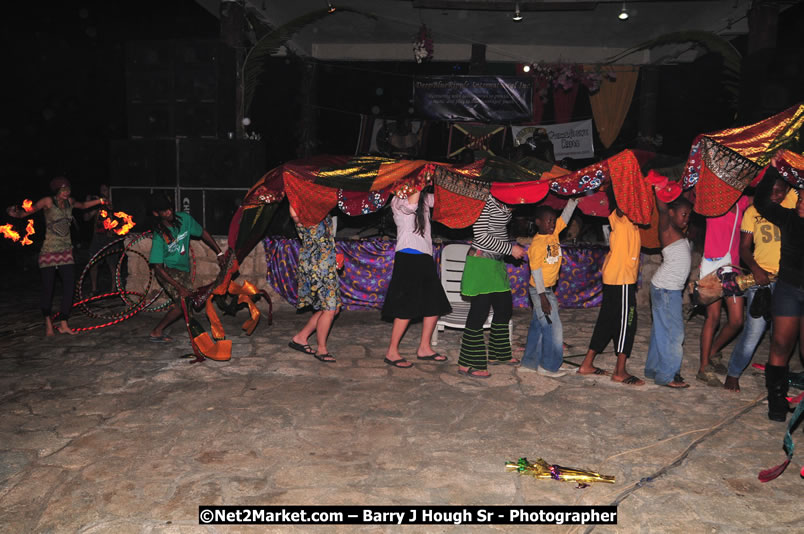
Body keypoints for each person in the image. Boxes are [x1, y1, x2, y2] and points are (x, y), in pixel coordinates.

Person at [6, 177, 105, 336]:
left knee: (69, 286)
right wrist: (15, 214)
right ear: (57, 190)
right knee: (48, 287)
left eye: (68, 190)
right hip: (49, 251)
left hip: (66, 251)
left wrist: (101, 200)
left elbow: (84, 205)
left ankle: (64, 322)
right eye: (63, 190)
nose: (67, 193)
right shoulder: (47, 201)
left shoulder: (70, 202)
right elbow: (27, 212)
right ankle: (48, 323)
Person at [724, 177, 794, 392]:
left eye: (779, 191)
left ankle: (776, 379)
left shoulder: (792, 204)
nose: (775, 195)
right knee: (754, 332)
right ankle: (733, 373)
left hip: (787, 281)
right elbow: (744, 248)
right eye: (770, 191)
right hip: (761, 280)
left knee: (781, 335)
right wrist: (756, 269)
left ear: (787, 191)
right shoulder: (753, 211)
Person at [753, 166, 804, 422]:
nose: (803, 203)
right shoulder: (789, 219)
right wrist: (774, 170)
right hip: (788, 289)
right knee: (781, 344)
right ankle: (776, 402)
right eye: (801, 198)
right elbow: (761, 202)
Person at [577, 192, 644, 386]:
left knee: (607, 320)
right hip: (621, 278)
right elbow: (622, 203)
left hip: (618, 276)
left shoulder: (631, 221)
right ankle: (620, 371)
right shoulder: (621, 216)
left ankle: (587, 364)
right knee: (627, 321)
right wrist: (626, 185)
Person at [457, 194, 527, 378]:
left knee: (504, 308)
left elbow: (498, 231)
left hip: (496, 263)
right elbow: (480, 235)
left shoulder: (503, 198)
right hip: (481, 263)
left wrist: (506, 249)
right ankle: (467, 362)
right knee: (479, 312)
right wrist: (510, 249)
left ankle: (499, 354)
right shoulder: (483, 200)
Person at [381, 189, 452, 368]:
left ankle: (424, 348)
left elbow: (446, 201)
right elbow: (411, 205)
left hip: (425, 256)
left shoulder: (425, 200)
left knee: (434, 304)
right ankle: (392, 352)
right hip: (408, 256)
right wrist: (417, 183)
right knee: (406, 307)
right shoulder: (398, 200)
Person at [148, 193, 225, 342]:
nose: (169, 212)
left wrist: (219, 252)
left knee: (188, 303)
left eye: (169, 208)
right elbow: (157, 267)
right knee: (184, 301)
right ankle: (157, 331)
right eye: (164, 211)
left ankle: (191, 329)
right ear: (156, 214)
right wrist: (179, 287)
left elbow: (202, 233)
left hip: (183, 269)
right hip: (167, 271)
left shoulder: (184, 219)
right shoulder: (159, 235)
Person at [521, 198, 578, 377]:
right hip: (540, 291)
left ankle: (529, 363)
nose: (552, 224)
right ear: (538, 222)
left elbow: (566, 217)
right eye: (548, 221)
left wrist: (573, 200)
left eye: (553, 221)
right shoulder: (537, 244)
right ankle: (549, 366)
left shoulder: (553, 234)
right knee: (553, 328)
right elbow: (535, 271)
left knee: (538, 326)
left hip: (547, 289)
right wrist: (542, 297)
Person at [697, 196, 750, 387]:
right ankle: (703, 368)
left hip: (733, 268)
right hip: (712, 265)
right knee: (713, 318)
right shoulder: (713, 200)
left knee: (736, 321)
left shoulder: (741, 201)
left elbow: (764, 197)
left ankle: (713, 351)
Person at [644, 192, 693, 388]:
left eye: (689, 215)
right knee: (674, 334)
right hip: (666, 290)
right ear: (672, 213)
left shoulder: (678, 230)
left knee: (661, 332)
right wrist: (658, 188)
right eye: (683, 214)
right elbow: (663, 208)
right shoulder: (666, 226)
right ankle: (667, 376)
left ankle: (653, 369)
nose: (686, 218)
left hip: (667, 289)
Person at [287, 206, 341, 363]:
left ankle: (300, 338)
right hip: (317, 266)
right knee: (329, 309)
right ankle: (322, 349)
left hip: (328, 265)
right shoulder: (304, 211)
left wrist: (335, 254)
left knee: (334, 308)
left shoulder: (325, 212)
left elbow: (326, 238)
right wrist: (293, 188)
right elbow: (294, 214)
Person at [83, 184, 118, 294]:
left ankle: (113, 289)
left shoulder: (114, 203)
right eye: (101, 190)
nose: (103, 192)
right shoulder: (98, 205)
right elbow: (86, 218)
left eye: (105, 189)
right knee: (93, 263)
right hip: (98, 238)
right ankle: (94, 289)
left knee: (112, 264)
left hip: (111, 238)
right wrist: (87, 203)